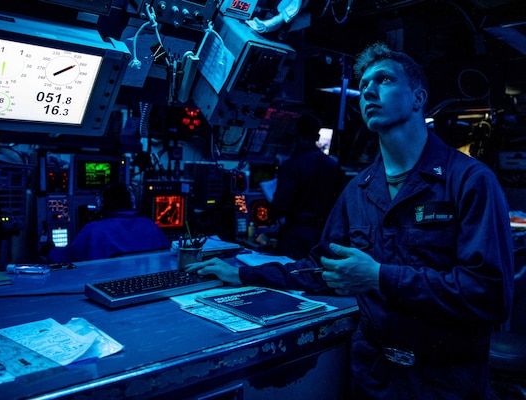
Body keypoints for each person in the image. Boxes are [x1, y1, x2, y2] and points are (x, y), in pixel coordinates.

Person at [186, 42, 515, 399]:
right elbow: (319, 266)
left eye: (385, 79)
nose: (369, 90)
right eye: (366, 85)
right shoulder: (359, 190)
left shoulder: (468, 181)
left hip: (444, 382)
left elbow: (490, 294)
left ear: (418, 99)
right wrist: (242, 273)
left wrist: (378, 276)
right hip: (372, 378)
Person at [267, 112, 344, 260]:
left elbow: (281, 205)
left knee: (291, 274)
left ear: (297, 135)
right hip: (324, 233)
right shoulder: (333, 166)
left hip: (296, 236)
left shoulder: (291, 166)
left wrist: (270, 213)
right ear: (317, 136)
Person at [47, 182, 170, 262]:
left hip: (105, 288)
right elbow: (168, 255)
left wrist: (50, 250)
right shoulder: (150, 226)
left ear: (101, 205)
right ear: (131, 202)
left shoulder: (92, 230)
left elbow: (65, 259)